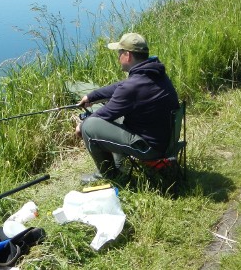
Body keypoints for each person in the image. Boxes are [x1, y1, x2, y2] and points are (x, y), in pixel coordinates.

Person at [75, 32, 179, 184]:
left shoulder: (132, 86)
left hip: (150, 149)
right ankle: (118, 164)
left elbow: (103, 115)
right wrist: (92, 96)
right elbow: (120, 86)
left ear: (128, 55)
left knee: (89, 127)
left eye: (119, 53)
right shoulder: (154, 73)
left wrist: (82, 125)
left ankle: (109, 175)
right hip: (164, 140)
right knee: (115, 116)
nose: (118, 57)